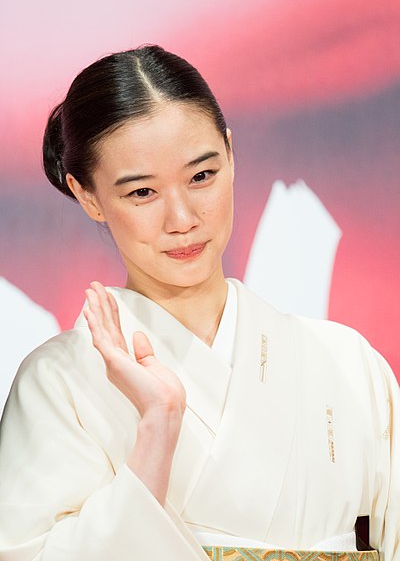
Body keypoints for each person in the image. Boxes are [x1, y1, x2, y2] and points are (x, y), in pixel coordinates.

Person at [0, 45, 398, 561]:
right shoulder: (59, 384)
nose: (182, 218)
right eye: (142, 192)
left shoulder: (346, 361)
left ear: (231, 155)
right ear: (88, 195)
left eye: (202, 176)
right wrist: (157, 432)